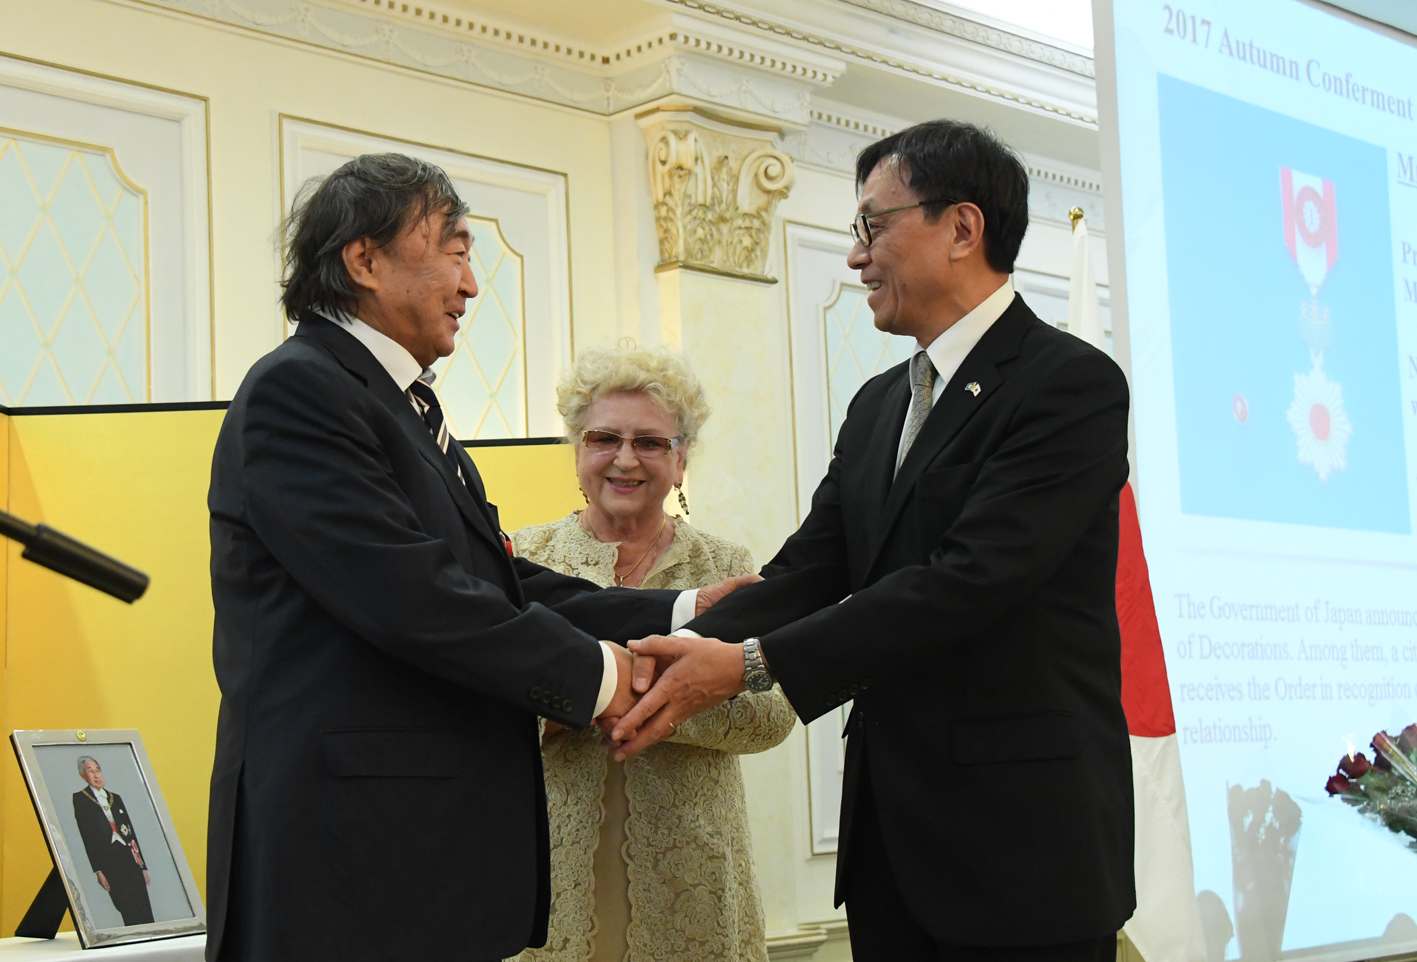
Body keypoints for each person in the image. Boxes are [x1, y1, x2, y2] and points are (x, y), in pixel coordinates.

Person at [612, 120, 1137, 961]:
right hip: (890, 842)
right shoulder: (877, 403)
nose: (855, 257)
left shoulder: (1068, 385)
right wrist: (636, 664)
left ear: (960, 228)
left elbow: (963, 582)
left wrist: (748, 665)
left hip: (1023, 849)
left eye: (871, 225)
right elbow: (809, 571)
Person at [205, 154, 750, 962]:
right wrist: (607, 678)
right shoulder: (301, 391)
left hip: (411, 854)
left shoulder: (398, 406)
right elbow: (414, 599)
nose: (470, 285)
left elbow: (496, 579)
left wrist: (678, 611)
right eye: (455, 251)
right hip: (344, 855)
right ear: (364, 260)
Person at [511, 344, 795, 962]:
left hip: (693, 876)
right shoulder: (525, 558)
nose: (624, 459)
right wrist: (578, 702)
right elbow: (483, 703)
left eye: (649, 442)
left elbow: (771, 716)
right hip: (549, 869)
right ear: (577, 450)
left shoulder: (724, 567)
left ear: (681, 459)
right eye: (604, 438)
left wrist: (627, 696)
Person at [72, 756, 153, 927]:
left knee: (142, 901)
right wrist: (98, 870)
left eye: (98, 770)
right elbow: (87, 836)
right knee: (124, 903)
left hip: (129, 855)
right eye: (90, 771)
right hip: (108, 859)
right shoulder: (80, 799)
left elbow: (131, 832)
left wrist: (142, 866)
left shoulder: (115, 797)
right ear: (82, 775)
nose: (96, 775)